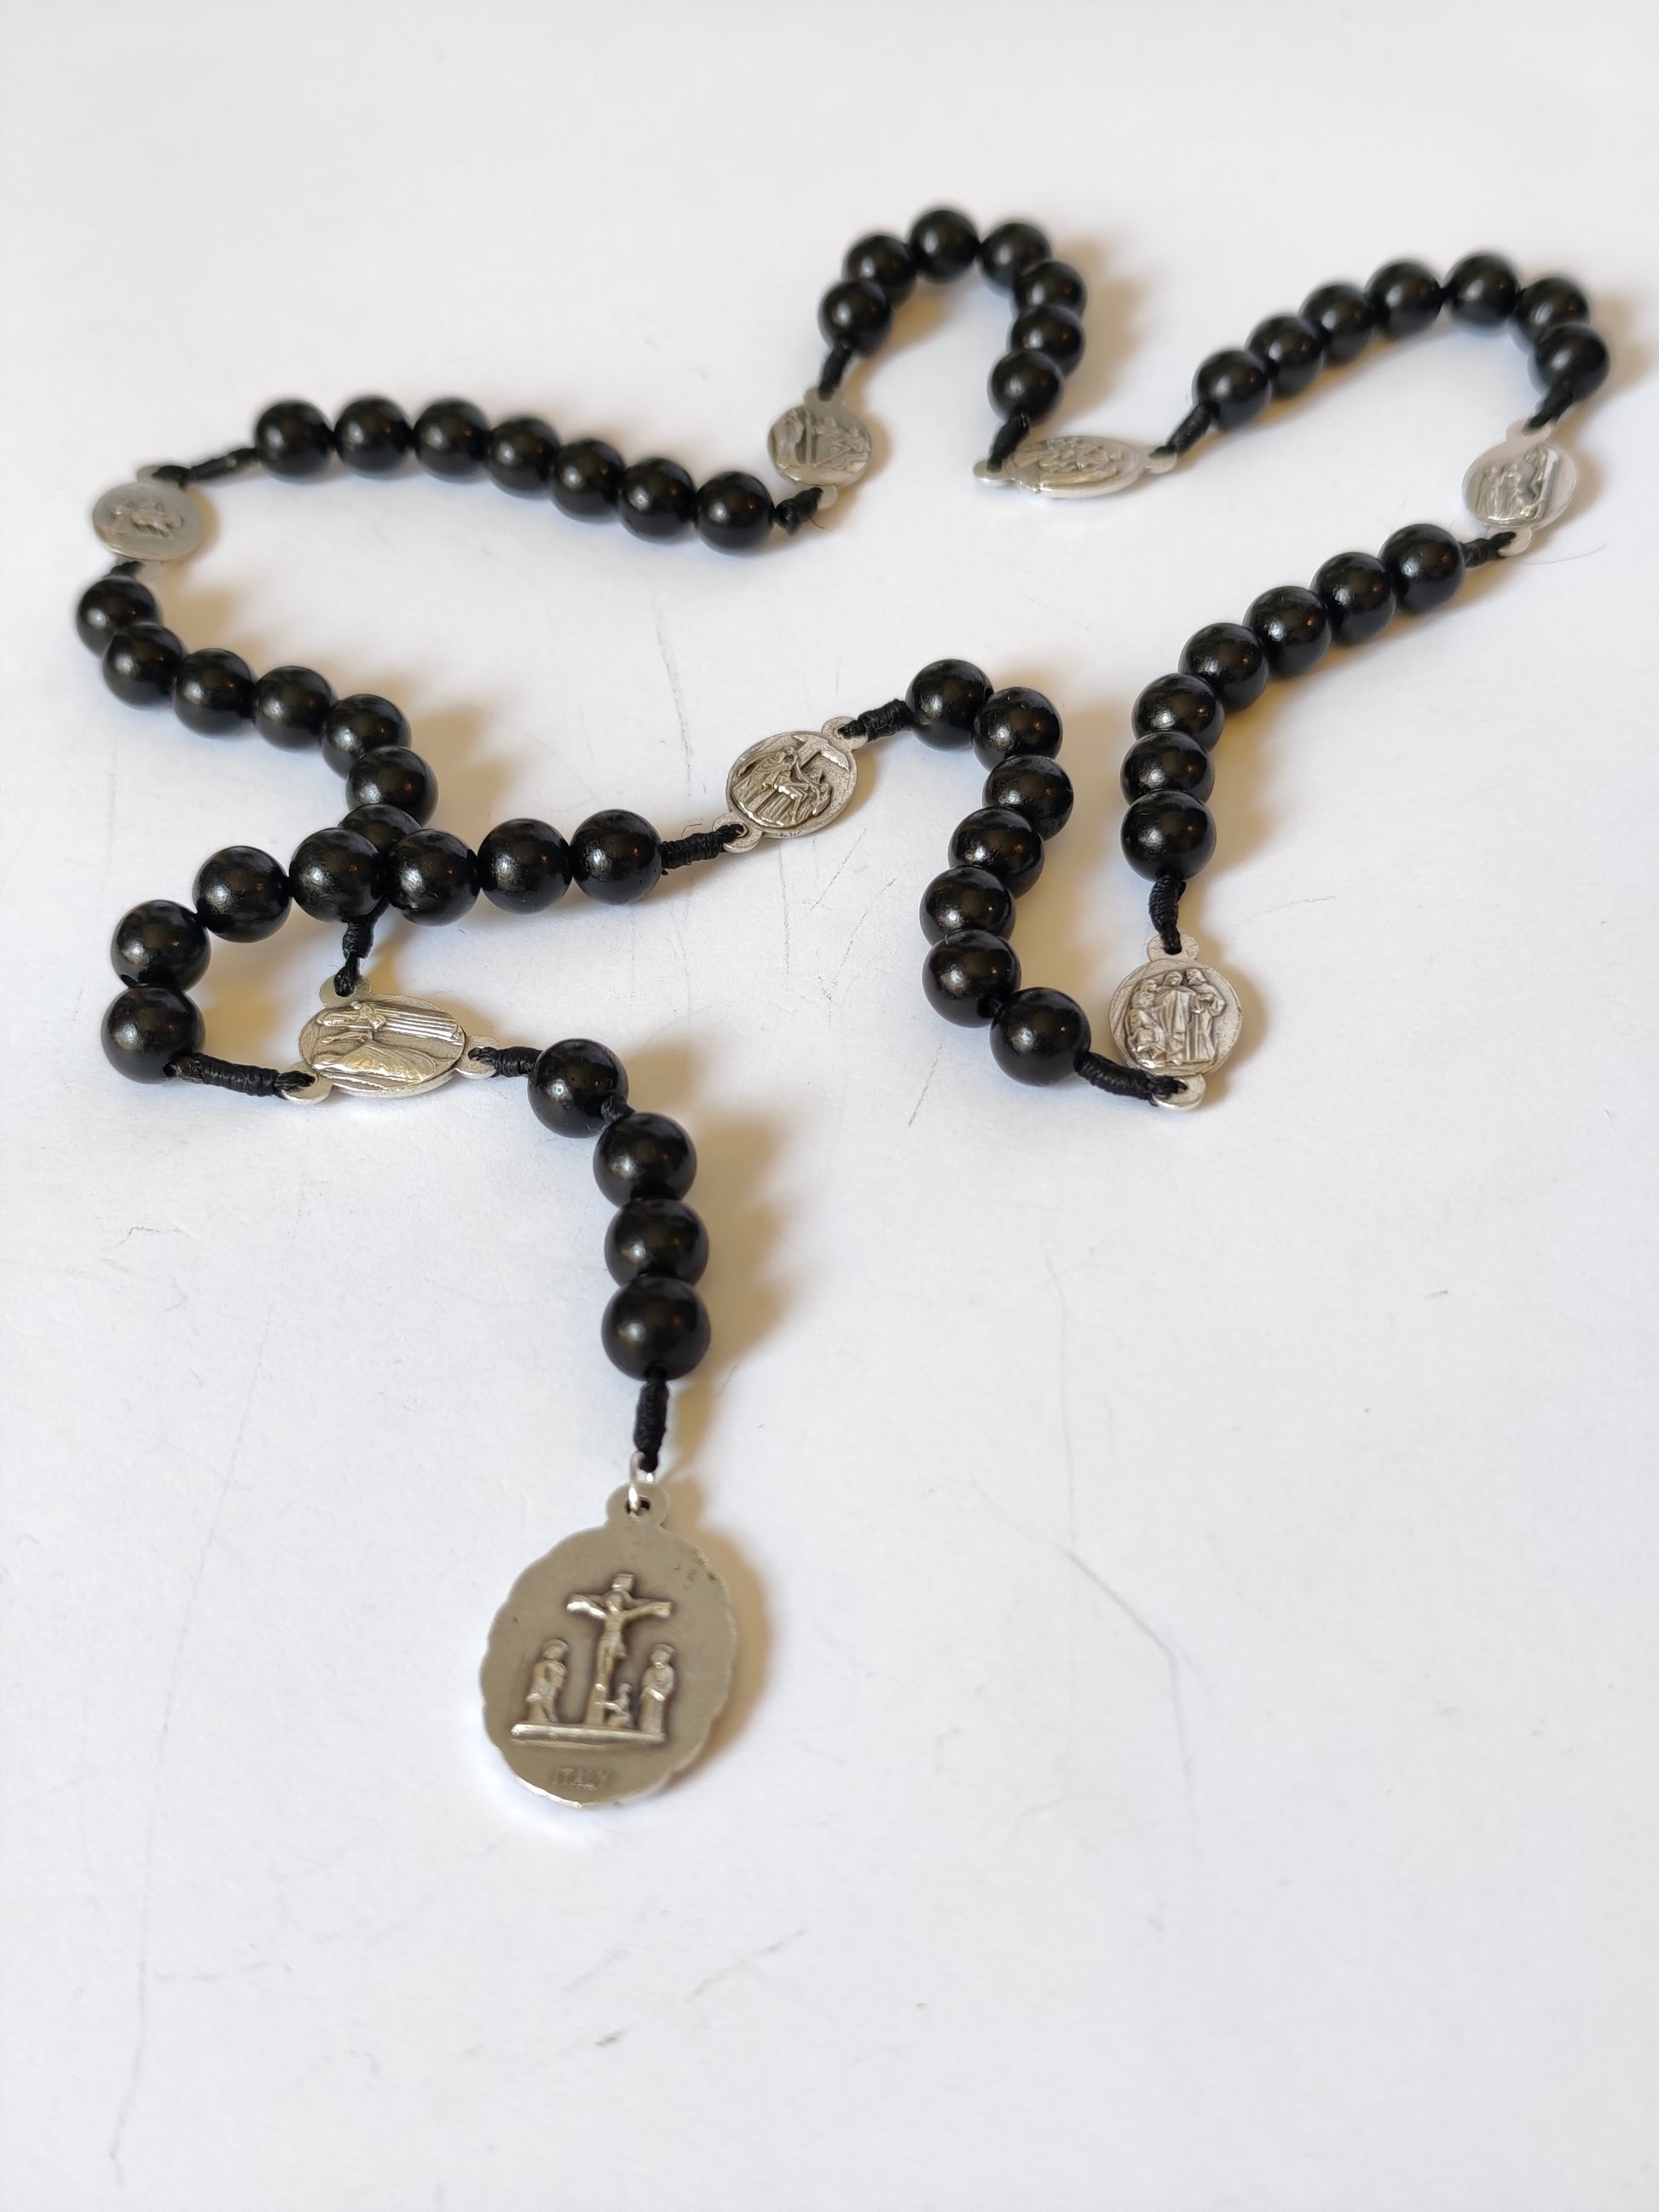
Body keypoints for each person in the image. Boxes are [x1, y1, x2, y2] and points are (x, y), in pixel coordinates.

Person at [520, 1638, 569, 1729]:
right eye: (552, 1651)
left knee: (549, 1700)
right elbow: (538, 1678)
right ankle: (546, 1717)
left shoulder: (560, 1667)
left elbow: (560, 1680)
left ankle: (550, 1717)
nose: (554, 1654)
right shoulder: (541, 1666)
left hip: (552, 1688)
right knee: (542, 1702)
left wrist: (558, 1680)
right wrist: (535, 1691)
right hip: (542, 1688)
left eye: (557, 1652)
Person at [637, 1647, 677, 1739]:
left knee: (658, 1713)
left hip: (661, 1697)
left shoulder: (670, 1671)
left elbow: (670, 1684)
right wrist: (654, 1692)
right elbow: (647, 1684)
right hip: (650, 1696)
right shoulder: (650, 1671)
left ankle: (656, 1730)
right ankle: (646, 1729)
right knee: (648, 1712)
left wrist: (664, 1693)